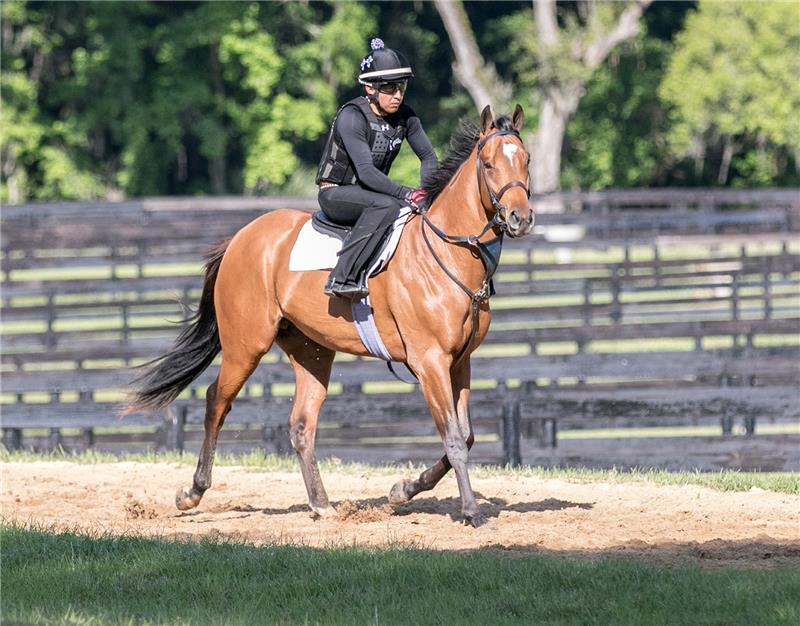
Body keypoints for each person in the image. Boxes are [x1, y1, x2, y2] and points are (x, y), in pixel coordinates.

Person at [315, 38, 438, 300]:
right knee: (388, 206)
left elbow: (428, 156)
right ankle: (341, 277)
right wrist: (407, 193)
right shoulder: (352, 116)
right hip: (336, 193)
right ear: (369, 88)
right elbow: (367, 172)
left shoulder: (406, 116)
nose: (398, 95)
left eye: (401, 87)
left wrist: (427, 193)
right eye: (390, 88)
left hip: (368, 193)